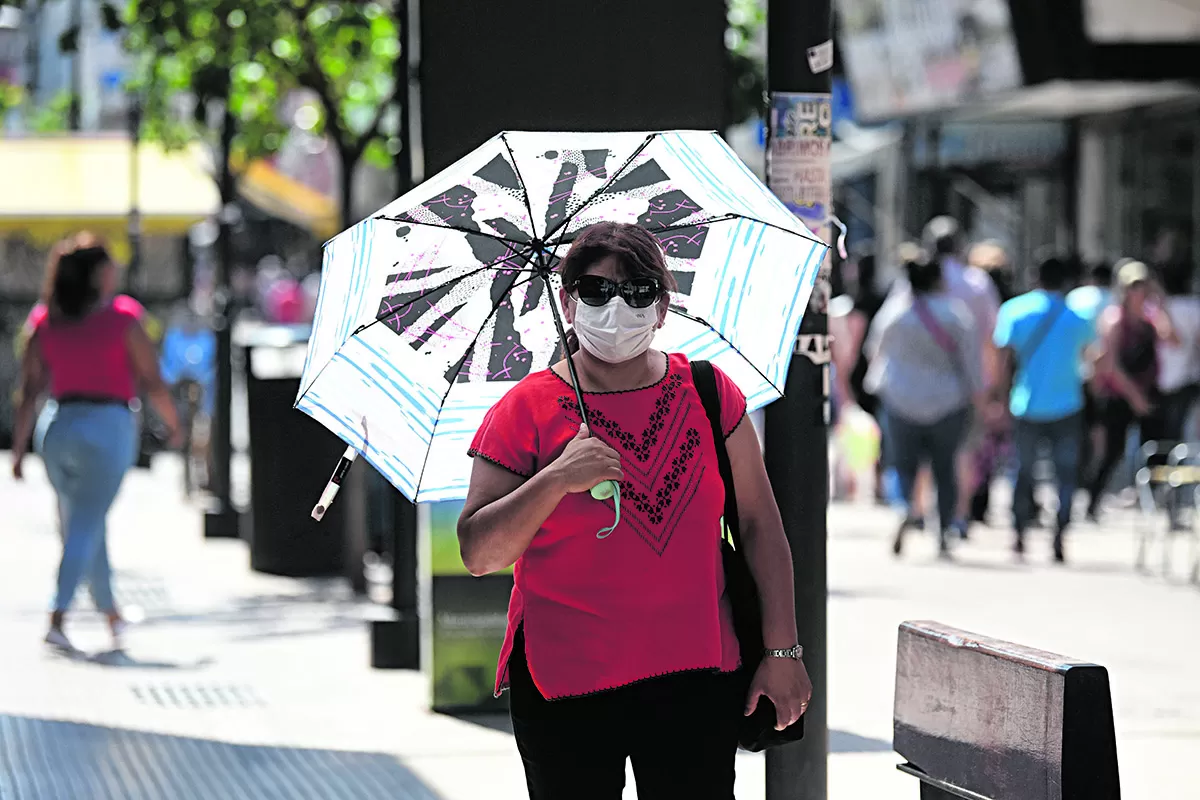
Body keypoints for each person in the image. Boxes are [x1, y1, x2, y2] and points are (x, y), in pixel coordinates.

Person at [457, 222, 812, 799]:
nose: (615, 308)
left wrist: (783, 651)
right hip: (565, 683)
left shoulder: (708, 391)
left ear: (663, 307)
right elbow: (478, 552)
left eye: (638, 291)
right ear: (567, 304)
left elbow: (759, 526)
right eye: (595, 292)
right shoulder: (524, 410)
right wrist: (557, 479)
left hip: (695, 675)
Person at [11, 233, 181, 651]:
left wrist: (17, 450)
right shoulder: (123, 318)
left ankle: (111, 615)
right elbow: (153, 380)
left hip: (57, 427)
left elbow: (29, 391)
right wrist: (175, 424)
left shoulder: (44, 319)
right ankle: (57, 614)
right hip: (107, 428)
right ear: (98, 275)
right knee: (85, 523)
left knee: (84, 522)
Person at [865, 245, 984, 557]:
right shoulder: (956, 315)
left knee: (900, 466)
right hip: (948, 402)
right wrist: (980, 399)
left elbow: (874, 352)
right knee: (945, 470)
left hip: (900, 399)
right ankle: (944, 530)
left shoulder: (893, 314)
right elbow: (972, 363)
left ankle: (904, 507)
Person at [993, 255, 1094, 561]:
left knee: (1023, 472)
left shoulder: (1015, 310)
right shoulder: (1077, 316)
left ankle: (1019, 533)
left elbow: (1001, 361)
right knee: (1066, 475)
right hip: (1068, 405)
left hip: (1026, 403)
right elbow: (1093, 357)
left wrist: (998, 398)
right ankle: (1060, 534)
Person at [922, 218, 1001, 539]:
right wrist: (991, 387)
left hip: (923, 381)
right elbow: (991, 338)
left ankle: (927, 510)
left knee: (928, 450)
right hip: (968, 381)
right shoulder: (977, 283)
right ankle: (958, 514)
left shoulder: (917, 280)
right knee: (964, 451)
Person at [1085, 260, 1179, 521]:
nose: (1140, 291)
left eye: (1143, 285)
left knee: (1157, 449)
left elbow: (1173, 339)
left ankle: (1154, 502)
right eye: (1135, 286)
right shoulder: (1115, 319)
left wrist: (1162, 303)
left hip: (1148, 392)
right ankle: (1091, 502)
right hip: (1119, 395)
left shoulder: (1151, 317)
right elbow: (1112, 364)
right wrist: (1134, 396)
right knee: (1111, 452)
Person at [830, 249, 887, 501]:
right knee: (879, 431)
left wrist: (843, 377)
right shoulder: (884, 301)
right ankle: (877, 483)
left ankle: (852, 482)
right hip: (878, 373)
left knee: (849, 428)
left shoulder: (852, 304)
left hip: (858, 372)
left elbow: (851, 346)